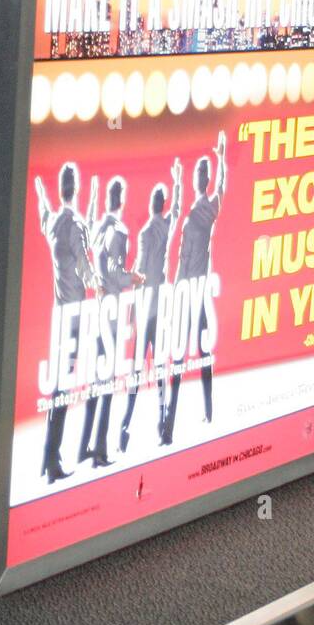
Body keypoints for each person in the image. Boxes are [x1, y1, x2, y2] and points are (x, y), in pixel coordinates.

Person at [34, 162, 97, 483]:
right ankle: (52, 459)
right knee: (64, 385)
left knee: (60, 384)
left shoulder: (54, 222)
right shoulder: (76, 224)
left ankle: (49, 457)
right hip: (74, 314)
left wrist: (40, 193)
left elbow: (43, 212)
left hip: (59, 313)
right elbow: (86, 266)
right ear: (78, 187)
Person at [164, 132, 226, 444]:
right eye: (199, 174)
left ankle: (198, 415)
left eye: (203, 174)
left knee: (194, 354)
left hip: (194, 290)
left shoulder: (204, 209)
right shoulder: (201, 209)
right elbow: (181, 257)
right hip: (189, 288)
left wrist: (223, 158)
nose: (200, 178)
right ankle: (171, 424)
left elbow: (223, 189)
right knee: (189, 355)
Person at [78, 177, 145, 467]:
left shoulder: (97, 228)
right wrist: (135, 278)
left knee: (96, 380)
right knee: (106, 383)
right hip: (114, 312)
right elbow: (115, 273)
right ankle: (100, 452)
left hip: (98, 308)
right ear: (122, 199)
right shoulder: (118, 231)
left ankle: (84, 447)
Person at [120, 159, 182, 453]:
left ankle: (126, 424)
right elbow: (178, 211)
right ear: (163, 203)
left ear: (152, 205)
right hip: (159, 310)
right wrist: (179, 182)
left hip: (147, 310)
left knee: (137, 370)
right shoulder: (164, 227)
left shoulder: (145, 233)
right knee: (158, 367)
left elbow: (138, 273)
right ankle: (162, 421)